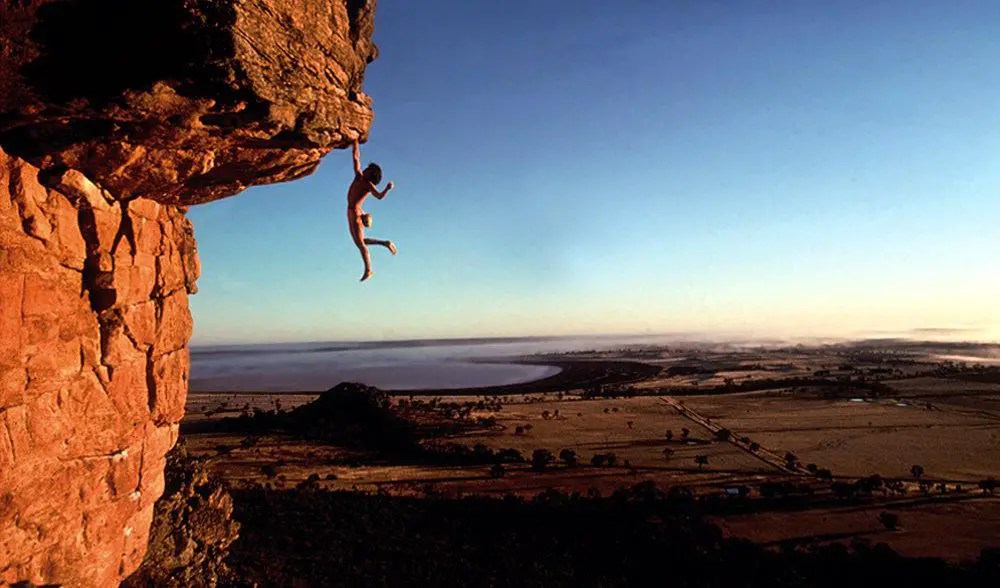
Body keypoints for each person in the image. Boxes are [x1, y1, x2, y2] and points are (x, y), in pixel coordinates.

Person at [347, 138, 396, 281]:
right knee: (359, 241)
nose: (365, 169)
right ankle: (384, 243)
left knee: (360, 243)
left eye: (368, 170)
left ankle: (369, 270)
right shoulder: (359, 175)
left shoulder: (368, 185)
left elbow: (379, 196)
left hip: (355, 212)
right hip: (354, 211)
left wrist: (387, 188)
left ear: (371, 174)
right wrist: (355, 142)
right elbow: (356, 158)